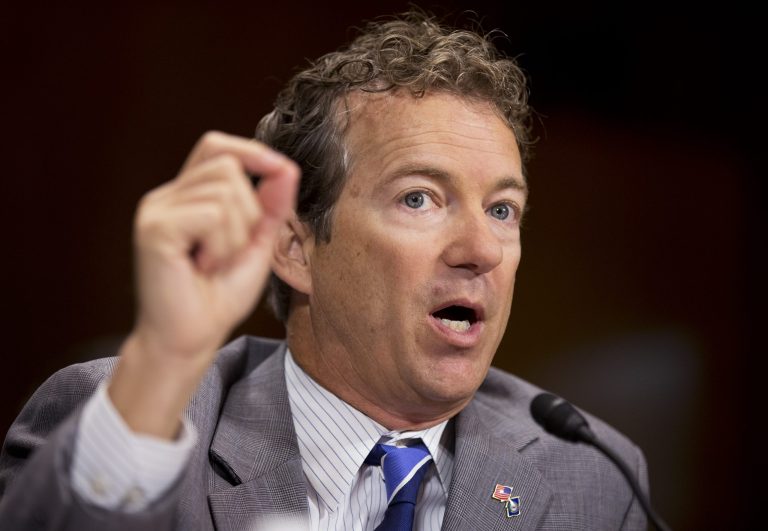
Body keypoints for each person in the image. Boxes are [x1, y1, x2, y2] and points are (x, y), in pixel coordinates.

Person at [0, 11, 648, 530]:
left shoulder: (591, 475)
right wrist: (166, 358)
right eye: (419, 197)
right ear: (294, 247)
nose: (481, 248)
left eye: (503, 209)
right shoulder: (131, 414)